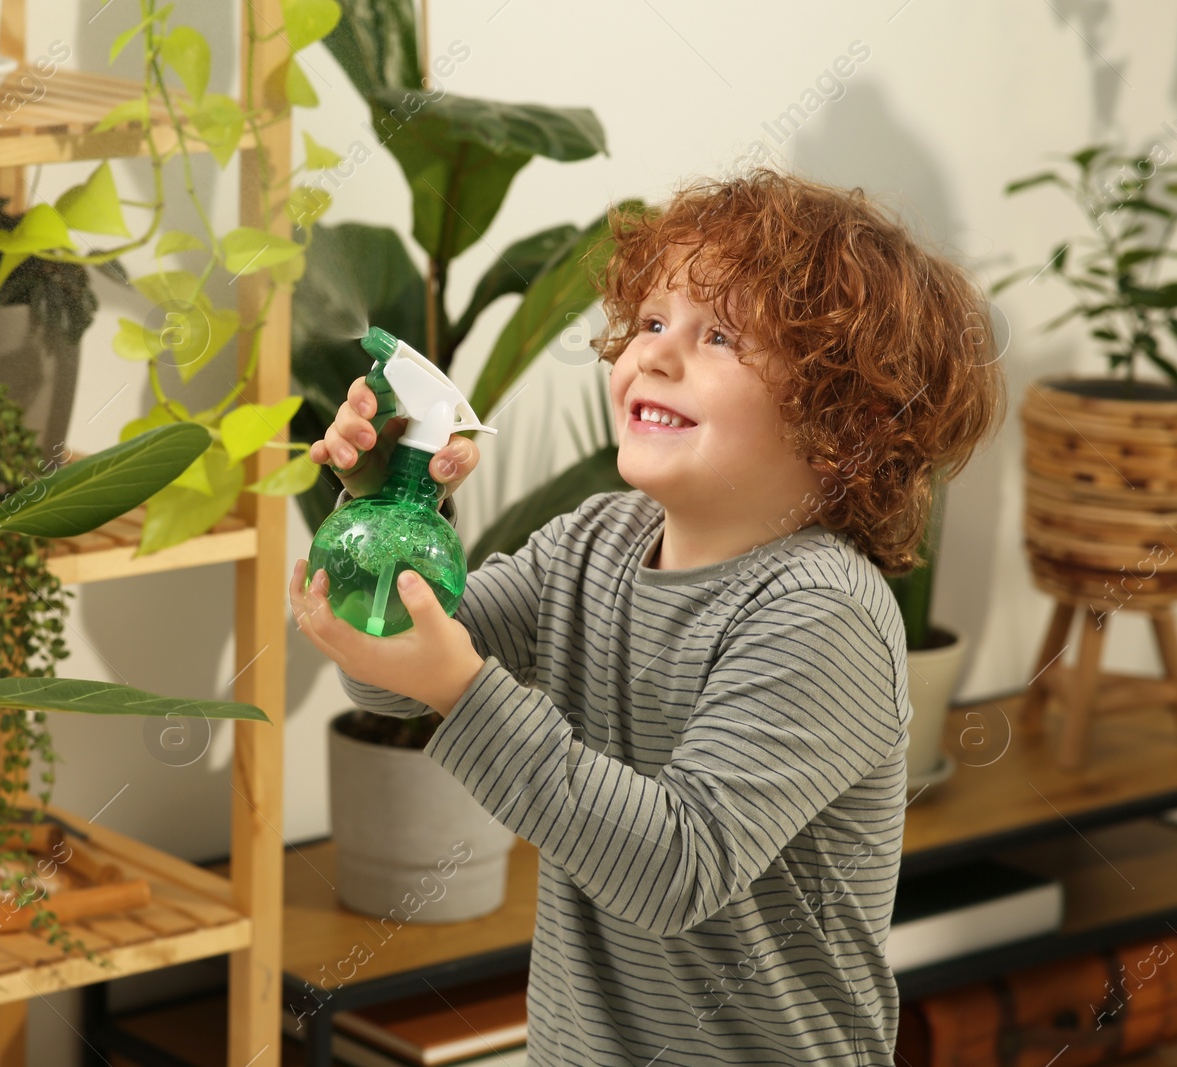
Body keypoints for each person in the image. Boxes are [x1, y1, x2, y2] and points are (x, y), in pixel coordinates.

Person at [290, 165, 1006, 1065]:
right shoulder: (593, 541)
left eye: (720, 337)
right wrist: (386, 509)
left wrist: (464, 692)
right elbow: (387, 680)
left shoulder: (824, 614)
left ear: (849, 421)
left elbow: (676, 870)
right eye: (654, 322)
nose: (655, 354)